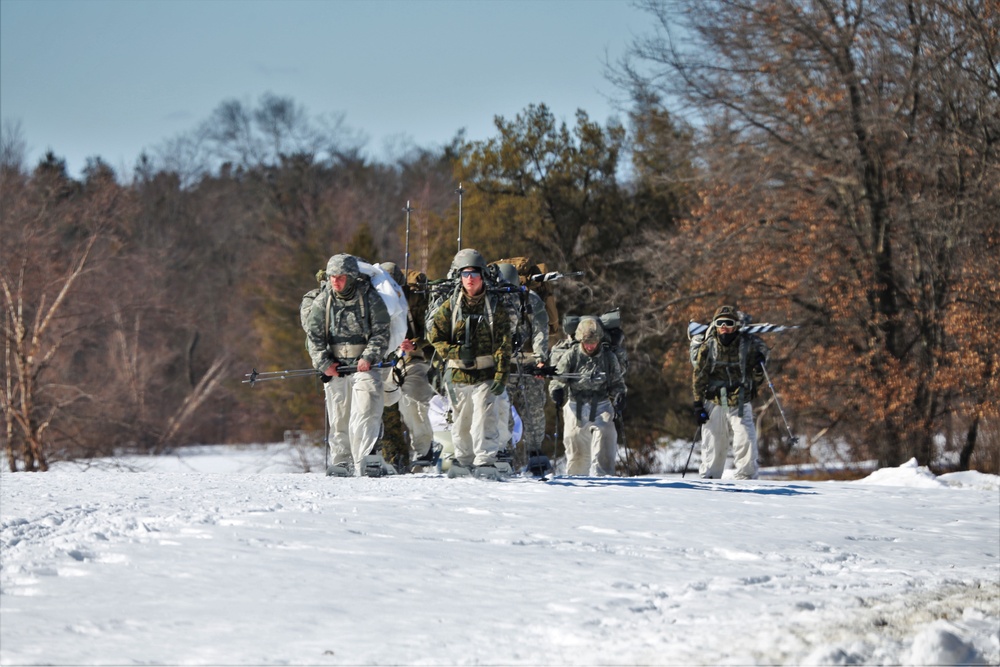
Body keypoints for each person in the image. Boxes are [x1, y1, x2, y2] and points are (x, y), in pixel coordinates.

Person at [427, 248, 512, 479]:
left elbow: (504, 343)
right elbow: (434, 337)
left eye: (474, 273)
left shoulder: (495, 307)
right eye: (465, 274)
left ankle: (485, 460)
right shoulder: (450, 307)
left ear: (482, 276)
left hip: (487, 374)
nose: (470, 279)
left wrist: (501, 375)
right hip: (458, 375)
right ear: (460, 278)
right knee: (462, 421)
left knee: (485, 416)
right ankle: (463, 460)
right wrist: (455, 352)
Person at [305, 253, 391, 477]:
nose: (336, 281)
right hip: (336, 367)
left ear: (352, 277)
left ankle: (367, 457)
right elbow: (313, 335)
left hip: (365, 365)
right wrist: (324, 363)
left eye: (341, 277)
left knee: (366, 410)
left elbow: (382, 331)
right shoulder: (324, 301)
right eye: (332, 276)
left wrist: (369, 357)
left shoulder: (370, 298)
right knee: (339, 416)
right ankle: (342, 461)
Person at [692, 305, 770, 480]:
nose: (724, 327)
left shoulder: (747, 346)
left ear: (735, 326)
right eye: (720, 323)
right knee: (713, 441)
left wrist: (759, 364)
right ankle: (710, 478)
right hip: (714, 399)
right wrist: (697, 404)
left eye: (728, 323)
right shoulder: (708, 346)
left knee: (746, 438)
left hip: (739, 398)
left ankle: (747, 477)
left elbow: (757, 378)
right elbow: (699, 376)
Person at [380, 262, 441, 472]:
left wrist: (415, 343)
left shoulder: (418, 299)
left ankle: (424, 450)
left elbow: (434, 333)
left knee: (411, 398)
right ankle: (393, 458)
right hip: (383, 360)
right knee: (382, 404)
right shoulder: (372, 300)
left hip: (413, 359)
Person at [549, 316, 626, 476]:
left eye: (593, 342)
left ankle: (605, 475)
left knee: (606, 432)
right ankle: (577, 478)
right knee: (574, 439)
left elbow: (617, 381)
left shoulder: (608, 357)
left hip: (601, 402)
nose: (590, 346)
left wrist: (619, 396)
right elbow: (558, 378)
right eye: (586, 343)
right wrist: (556, 391)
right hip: (575, 402)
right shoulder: (571, 355)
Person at [493, 262, 550, 472]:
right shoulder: (492, 300)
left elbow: (540, 330)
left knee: (534, 408)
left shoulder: (530, 299)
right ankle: (503, 452)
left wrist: (540, 358)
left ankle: (535, 453)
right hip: (502, 363)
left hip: (528, 361)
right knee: (501, 409)